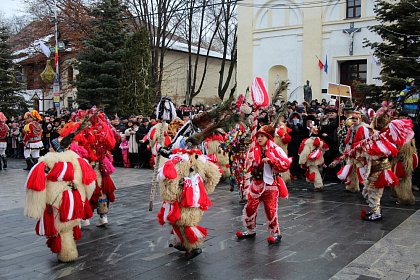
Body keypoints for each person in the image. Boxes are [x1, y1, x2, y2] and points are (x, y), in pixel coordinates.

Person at [236, 125, 291, 244]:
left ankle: (276, 233)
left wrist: (271, 161)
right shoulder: (253, 149)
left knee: (271, 210)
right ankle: (250, 230)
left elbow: (285, 164)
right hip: (256, 183)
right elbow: (247, 166)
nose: (259, 138)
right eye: (258, 136)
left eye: (262, 136)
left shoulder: (275, 149)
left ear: (268, 138)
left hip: (271, 184)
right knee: (250, 208)